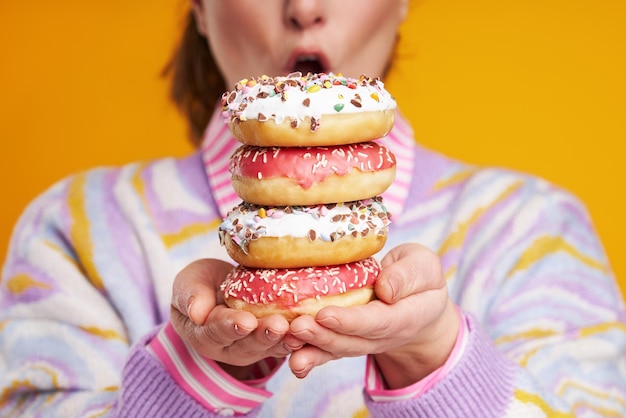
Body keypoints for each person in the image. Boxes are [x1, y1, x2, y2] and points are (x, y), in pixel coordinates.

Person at [1, 1, 625, 416]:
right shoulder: (75, 230)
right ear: (198, 5)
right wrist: (191, 375)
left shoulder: (531, 228)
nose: (303, 8)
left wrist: (435, 360)